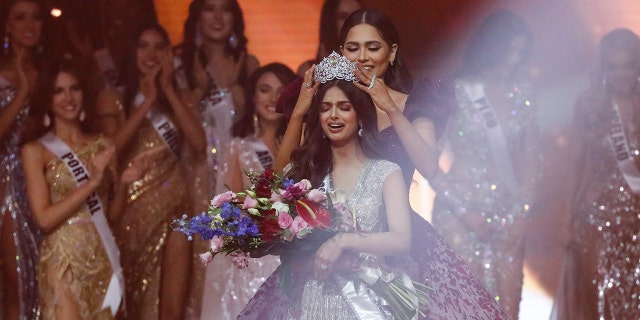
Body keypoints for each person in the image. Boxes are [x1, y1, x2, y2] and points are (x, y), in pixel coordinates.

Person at [244, 51, 508, 319]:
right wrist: (300, 110)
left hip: (367, 303)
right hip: (311, 302)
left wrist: (344, 242)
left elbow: (402, 239)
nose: (334, 116)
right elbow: (276, 182)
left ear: (360, 115)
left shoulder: (385, 171)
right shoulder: (309, 174)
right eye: (325, 108)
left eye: (344, 107)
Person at [428, 11, 540, 319]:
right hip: (458, 215)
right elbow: (428, 163)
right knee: (463, 308)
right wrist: (465, 211)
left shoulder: (523, 95)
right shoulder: (455, 92)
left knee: (506, 310)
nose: (513, 60)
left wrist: (522, 214)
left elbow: (532, 160)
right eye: (508, 51)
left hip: (507, 216)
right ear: (491, 48)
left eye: (520, 53)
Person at [101, 24, 206, 319]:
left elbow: (199, 143)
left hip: (174, 208)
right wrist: (146, 101)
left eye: (160, 47)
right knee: (132, 305)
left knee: (171, 309)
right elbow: (109, 151)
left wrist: (168, 91)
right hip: (128, 213)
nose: (151, 54)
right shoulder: (113, 99)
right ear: (131, 52)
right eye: (143, 45)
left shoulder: (179, 98)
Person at [20, 58, 134, 319]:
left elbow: (112, 218)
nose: (68, 98)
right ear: (47, 98)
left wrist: (125, 183)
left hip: (102, 254)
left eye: (75, 88)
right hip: (63, 260)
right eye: (58, 91)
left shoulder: (104, 145)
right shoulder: (35, 151)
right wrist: (91, 183)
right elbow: (44, 219)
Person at [551, 28, 640, 320]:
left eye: (628, 65)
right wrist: (565, 220)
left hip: (638, 221)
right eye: (613, 66)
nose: (621, 73)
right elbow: (574, 163)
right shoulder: (589, 105)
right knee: (599, 299)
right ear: (603, 68)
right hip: (598, 219)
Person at [199, 63, 296, 319]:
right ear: (252, 96)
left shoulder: (302, 148)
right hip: (254, 258)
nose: (273, 98)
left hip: (293, 256)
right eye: (265, 90)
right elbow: (228, 207)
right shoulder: (238, 147)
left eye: (280, 91)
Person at [0, 1, 43, 318]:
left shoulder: (52, 70)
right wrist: (22, 94)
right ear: (7, 25)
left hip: (44, 182)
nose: (29, 24)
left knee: (46, 275)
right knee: (17, 279)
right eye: (19, 17)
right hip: (7, 186)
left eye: (35, 17)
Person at [296, 0, 362, 76]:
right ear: (330, 22)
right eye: (343, 17)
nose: (351, 22)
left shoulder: (373, 64)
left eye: (356, 16)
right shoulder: (308, 70)